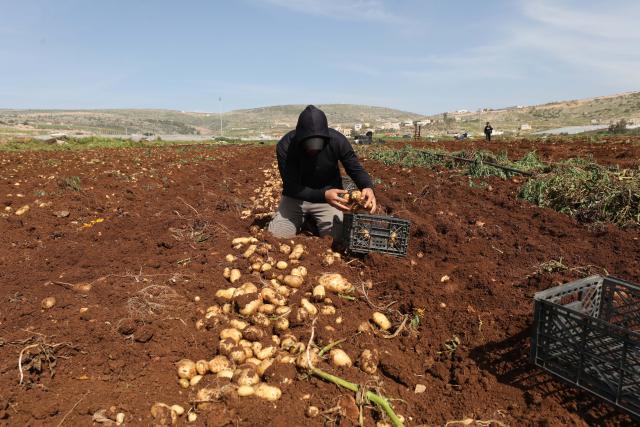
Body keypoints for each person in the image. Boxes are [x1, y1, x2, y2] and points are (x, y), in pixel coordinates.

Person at [268, 105, 376, 239]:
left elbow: (355, 169)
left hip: (330, 200)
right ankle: (305, 220)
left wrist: (367, 186)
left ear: (326, 136)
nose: (313, 150)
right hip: (296, 197)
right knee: (276, 236)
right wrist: (323, 195)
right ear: (299, 137)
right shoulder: (285, 146)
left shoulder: (338, 141)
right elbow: (291, 187)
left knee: (338, 239)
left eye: (318, 144)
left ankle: (312, 222)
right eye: (308, 145)